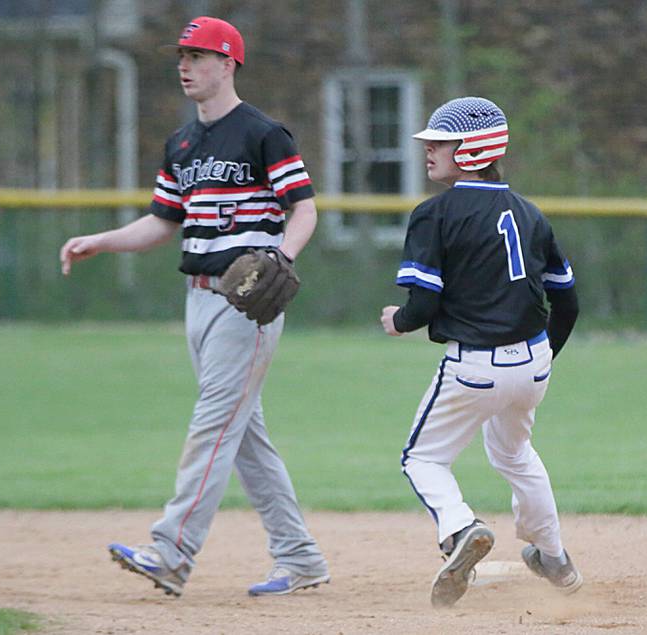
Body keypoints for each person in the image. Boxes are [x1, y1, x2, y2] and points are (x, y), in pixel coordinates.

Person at [59, 16, 329, 598]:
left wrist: (281, 256)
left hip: (245, 304)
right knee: (244, 438)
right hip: (198, 302)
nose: (185, 65)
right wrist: (101, 241)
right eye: (181, 55)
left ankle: (172, 551)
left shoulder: (263, 133)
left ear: (229, 62)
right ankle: (301, 558)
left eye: (199, 55)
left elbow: (303, 208)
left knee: (212, 428)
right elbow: (164, 221)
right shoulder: (182, 142)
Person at [380, 97, 582, 608]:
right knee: (515, 454)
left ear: (471, 149)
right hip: (534, 361)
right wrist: (542, 360)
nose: (429, 150)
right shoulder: (531, 214)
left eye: (440, 143)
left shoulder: (434, 214)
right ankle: (553, 556)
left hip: (475, 366)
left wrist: (398, 321)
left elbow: (423, 304)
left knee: (422, 458)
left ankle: (459, 529)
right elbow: (568, 301)